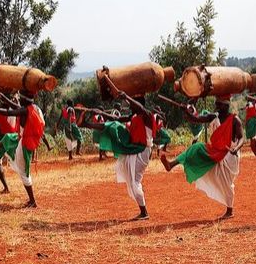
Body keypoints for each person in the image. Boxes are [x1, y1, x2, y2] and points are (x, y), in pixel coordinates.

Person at [161, 95, 244, 219]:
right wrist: (185, 111)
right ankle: (171, 164)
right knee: (196, 148)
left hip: (229, 155)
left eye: (219, 104)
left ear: (226, 106)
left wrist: (236, 148)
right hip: (215, 150)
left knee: (226, 182)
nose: (216, 106)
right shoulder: (213, 116)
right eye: (216, 104)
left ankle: (229, 210)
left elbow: (241, 137)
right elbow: (195, 119)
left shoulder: (235, 120)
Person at [81, 91, 155, 220]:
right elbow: (116, 119)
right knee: (114, 126)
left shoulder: (147, 115)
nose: (130, 106)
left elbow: (141, 108)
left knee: (134, 182)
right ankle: (85, 124)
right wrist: (100, 113)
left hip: (143, 150)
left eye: (132, 103)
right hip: (133, 147)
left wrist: (127, 96)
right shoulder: (134, 116)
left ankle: (144, 213)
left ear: (138, 104)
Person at [0, 91, 52, 207]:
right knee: (7, 138)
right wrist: (3, 97)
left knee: (24, 173)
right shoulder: (32, 108)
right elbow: (15, 107)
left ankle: (32, 201)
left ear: (25, 100)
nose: (19, 100)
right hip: (23, 139)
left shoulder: (25, 110)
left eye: (20, 98)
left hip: (25, 142)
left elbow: (9, 111)